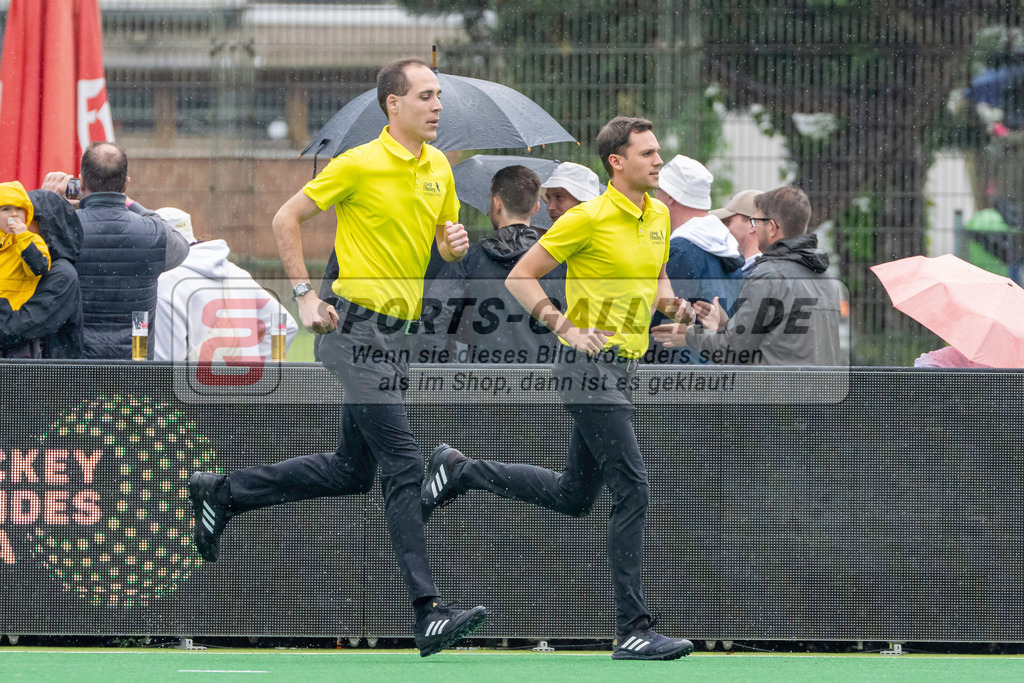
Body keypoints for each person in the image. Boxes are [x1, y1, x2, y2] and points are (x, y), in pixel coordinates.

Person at [186, 57, 487, 657]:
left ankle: (221, 491)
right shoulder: (358, 164)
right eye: (426, 96)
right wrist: (303, 294)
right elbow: (284, 218)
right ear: (393, 105)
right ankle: (428, 612)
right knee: (404, 468)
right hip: (354, 335)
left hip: (396, 341)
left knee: (351, 473)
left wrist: (454, 242)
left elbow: (444, 242)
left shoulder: (439, 170)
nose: (438, 106)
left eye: (439, 96)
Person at [421, 116, 694, 661]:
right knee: (633, 489)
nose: (658, 161)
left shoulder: (659, 214)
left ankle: (461, 469)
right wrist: (565, 325)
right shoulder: (586, 219)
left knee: (575, 497)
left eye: (657, 151)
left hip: (624, 371)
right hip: (586, 372)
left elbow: (656, 277)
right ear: (616, 162)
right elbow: (519, 278)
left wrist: (675, 307)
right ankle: (634, 628)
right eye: (647, 153)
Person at [653, 186, 842, 366]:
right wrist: (726, 324)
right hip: (819, 395)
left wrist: (690, 334)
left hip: (777, 397)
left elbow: (733, 350)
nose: (755, 228)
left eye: (757, 222)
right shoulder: (826, 277)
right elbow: (785, 342)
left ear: (772, 227)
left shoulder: (769, 276)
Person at [420, 164, 564, 363]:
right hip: (547, 383)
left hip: (484, 384)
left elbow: (435, 319)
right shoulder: (559, 263)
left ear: (497, 204)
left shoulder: (467, 261)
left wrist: (438, 374)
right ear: (536, 207)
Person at [73, 143, 190, 359]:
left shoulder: (65, 229)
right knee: (130, 396)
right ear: (125, 185)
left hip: (78, 370)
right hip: (135, 371)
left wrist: (52, 204)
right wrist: (131, 204)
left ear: (80, 183)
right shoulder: (152, 232)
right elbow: (181, 246)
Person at [152, 207, 298, 362]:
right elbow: (285, 325)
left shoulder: (163, 284)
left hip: (194, 384)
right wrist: (258, 370)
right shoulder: (236, 273)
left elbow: (166, 363)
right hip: (245, 382)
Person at [0, 181, 83, 358]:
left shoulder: (61, 273)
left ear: (44, 225)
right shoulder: (14, 252)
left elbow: (16, 328)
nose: (16, 221)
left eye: (26, 216)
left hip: (47, 373)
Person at [656, 155, 743, 307]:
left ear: (670, 197)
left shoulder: (681, 250)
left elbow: (665, 319)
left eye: (658, 189)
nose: (654, 197)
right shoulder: (726, 243)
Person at [0, 180, 51, 357]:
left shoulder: (34, 241)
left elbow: (38, 268)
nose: (13, 214)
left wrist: (22, 237)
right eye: (5, 209)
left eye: (19, 209)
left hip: (17, 332)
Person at [710, 189, 763, 275]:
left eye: (727, 222)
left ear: (754, 224)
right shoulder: (764, 269)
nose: (723, 227)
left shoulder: (761, 273)